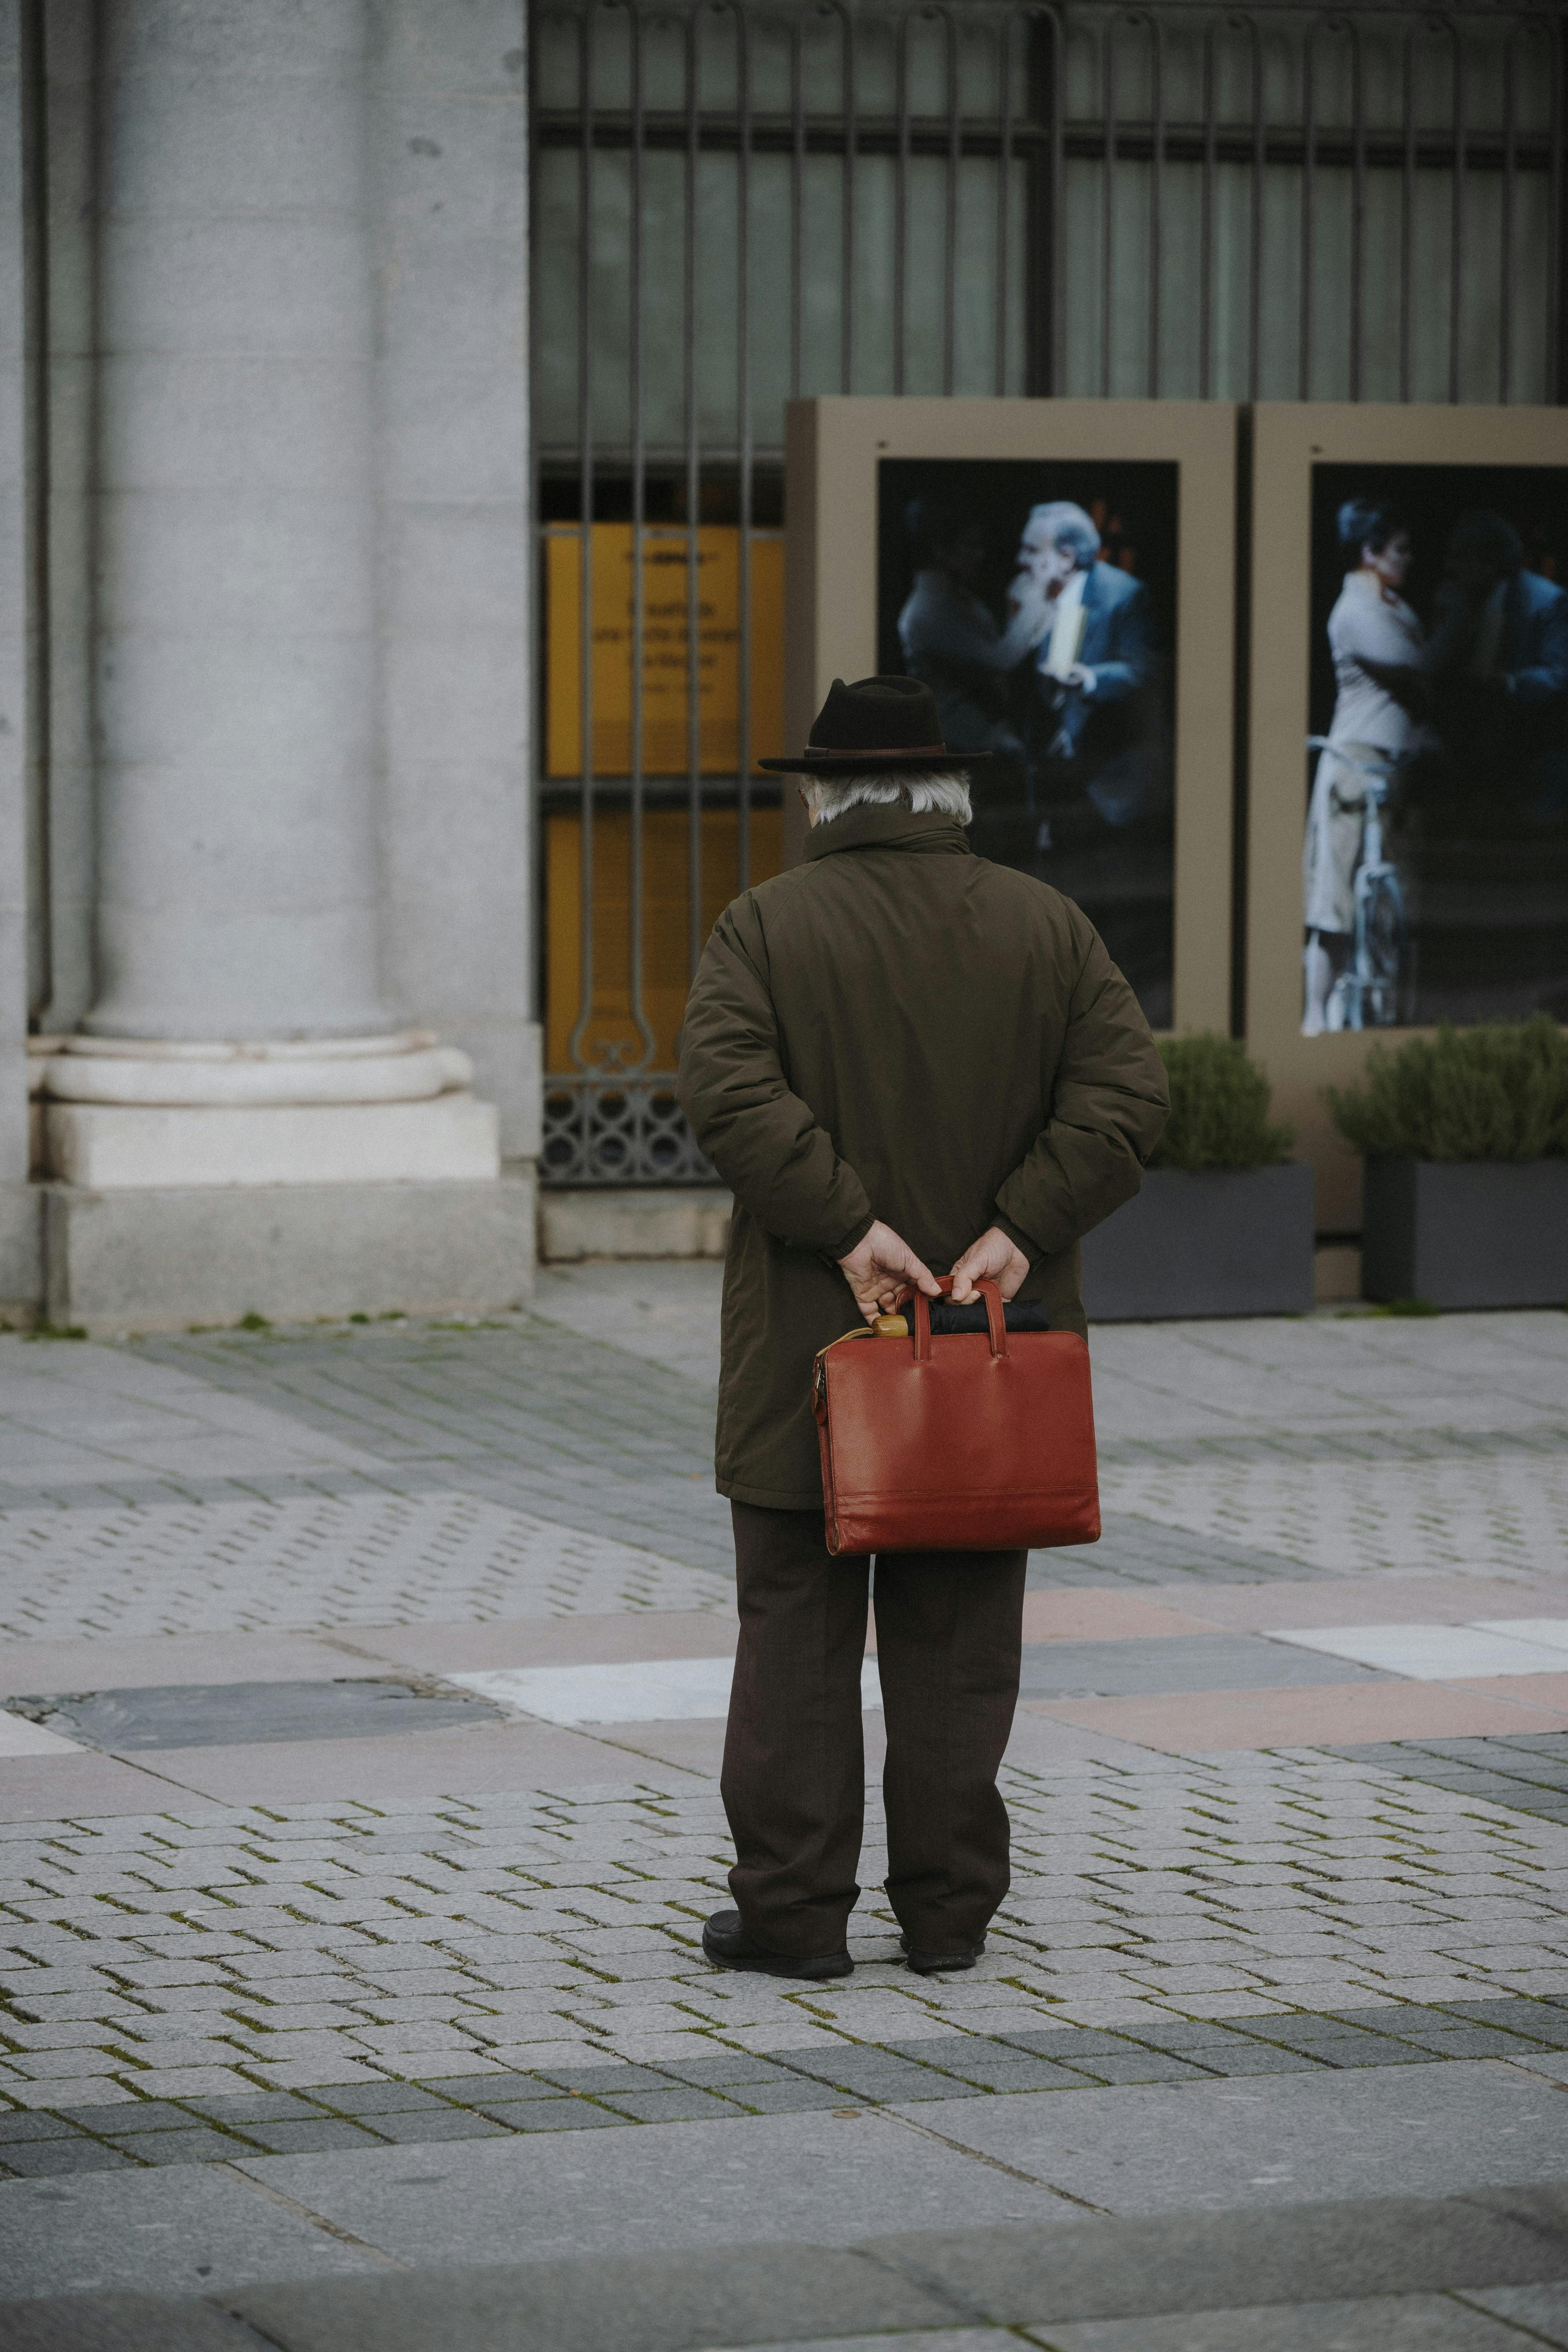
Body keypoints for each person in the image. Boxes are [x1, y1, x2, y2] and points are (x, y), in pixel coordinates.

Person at [677, 673, 1169, 1981]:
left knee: (793, 1627)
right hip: (984, 1350)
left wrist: (845, 1227)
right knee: (959, 1638)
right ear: (950, 790)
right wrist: (1020, 1226)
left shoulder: (762, 927)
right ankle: (947, 1917)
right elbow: (1128, 1096)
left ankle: (794, 1915)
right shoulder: (1046, 926)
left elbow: (724, 1094)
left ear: (825, 793)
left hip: (807, 1346)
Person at [1301, 497, 1426, 1035]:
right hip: (1355, 763)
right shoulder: (1355, 611)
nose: (1408, 561)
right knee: (1334, 907)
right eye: (1398, 550)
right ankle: (1312, 1019)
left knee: (1389, 900)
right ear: (1370, 553)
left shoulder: (1398, 608)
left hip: (1399, 765)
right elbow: (1416, 674)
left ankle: (1381, 1010)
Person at [1015, 502, 1157, 840]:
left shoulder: (1124, 595)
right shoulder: (1027, 592)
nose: (1022, 560)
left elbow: (1144, 672)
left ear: (1066, 558)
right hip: (1049, 777)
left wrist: (1091, 679)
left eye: (1032, 550)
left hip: (1106, 777)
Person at [895, 498, 1049, 762]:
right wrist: (1039, 600)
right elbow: (1000, 660)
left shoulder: (961, 598)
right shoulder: (926, 611)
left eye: (980, 545)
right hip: (959, 747)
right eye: (969, 545)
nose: (980, 555)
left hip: (986, 738)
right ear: (940, 550)